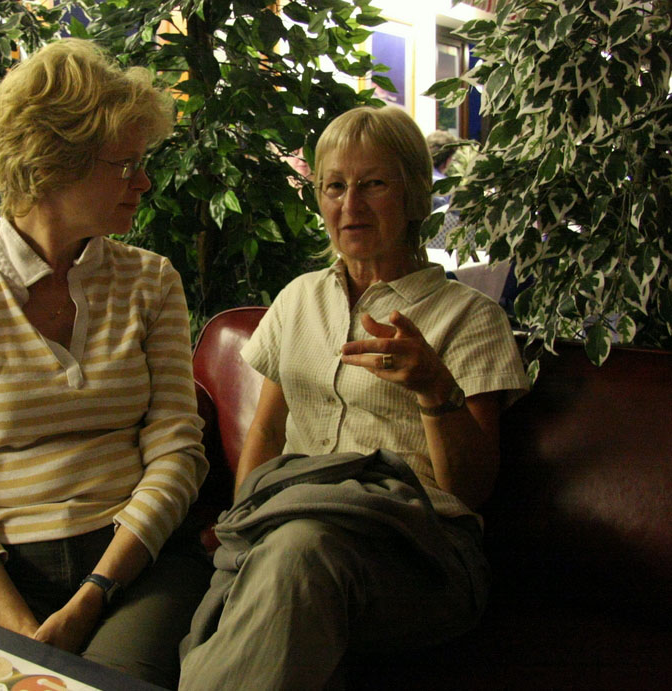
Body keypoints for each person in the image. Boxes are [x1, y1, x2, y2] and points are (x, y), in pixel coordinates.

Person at [178, 106, 529, 690]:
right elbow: (266, 430)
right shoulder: (298, 299)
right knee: (273, 561)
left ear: (415, 194)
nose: (350, 204)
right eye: (334, 186)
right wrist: (242, 521)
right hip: (293, 529)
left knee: (297, 553)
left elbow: (469, 491)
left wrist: (433, 388)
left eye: (373, 184)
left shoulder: (469, 317)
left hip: (422, 553)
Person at [0, 38, 211, 689]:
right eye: (125, 165)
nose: (144, 182)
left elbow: (178, 451)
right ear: (50, 166)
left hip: (137, 565)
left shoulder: (151, 281)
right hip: (3, 577)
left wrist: (94, 593)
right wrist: (20, 628)